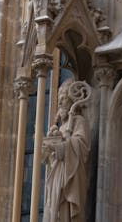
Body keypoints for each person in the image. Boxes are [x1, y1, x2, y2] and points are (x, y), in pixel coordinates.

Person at [42, 80, 91, 222]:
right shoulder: (62, 127)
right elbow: (52, 158)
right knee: (55, 209)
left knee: (66, 211)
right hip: (57, 176)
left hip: (70, 176)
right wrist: (49, 150)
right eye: (59, 99)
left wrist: (63, 146)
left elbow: (82, 146)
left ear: (71, 101)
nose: (59, 103)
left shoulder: (78, 121)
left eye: (63, 99)